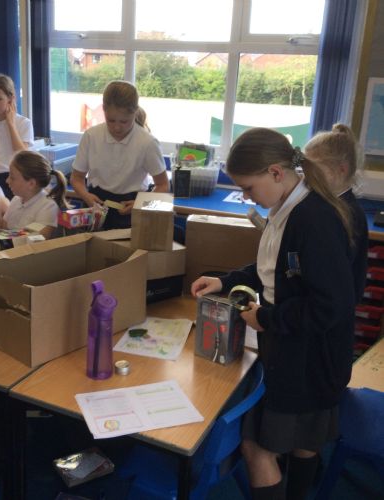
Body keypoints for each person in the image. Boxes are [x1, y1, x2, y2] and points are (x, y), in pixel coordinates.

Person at [191, 128, 355, 500]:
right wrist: (225, 281)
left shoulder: (313, 219)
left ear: (276, 173)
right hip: (293, 349)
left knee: (257, 446)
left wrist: (267, 318)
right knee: (295, 441)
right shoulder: (285, 208)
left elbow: (331, 305)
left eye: (248, 188)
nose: (246, 196)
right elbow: (273, 270)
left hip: (309, 360)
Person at [70, 80, 170, 230]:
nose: (117, 127)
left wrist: (141, 204)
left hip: (132, 205)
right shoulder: (91, 136)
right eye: (111, 120)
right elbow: (76, 178)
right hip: (96, 203)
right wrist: (86, 196)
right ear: (103, 109)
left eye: (124, 121)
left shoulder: (147, 143)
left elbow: (163, 185)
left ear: (135, 112)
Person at [304, 123, 368, 302]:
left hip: (332, 308)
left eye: (315, 170)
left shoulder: (346, 214)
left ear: (341, 170)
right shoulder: (322, 202)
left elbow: (336, 281)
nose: (307, 176)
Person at [2, 150, 70, 239]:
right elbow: (3, 232)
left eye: (12, 178)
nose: (7, 181)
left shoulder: (48, 207)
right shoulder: (16, 200)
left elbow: (35, 241)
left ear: (31, 184)